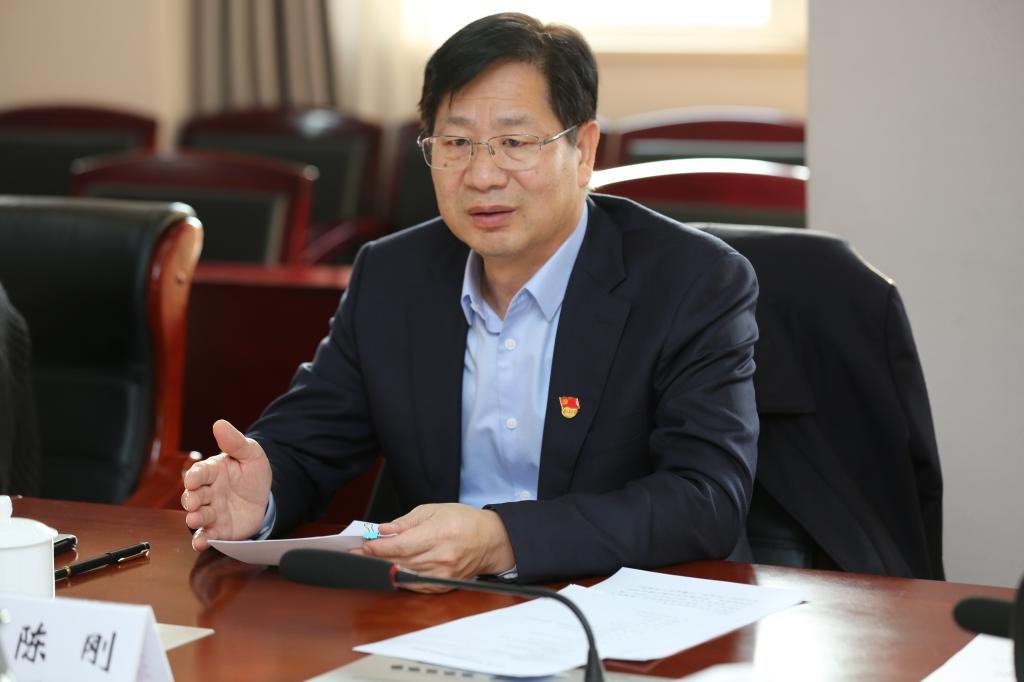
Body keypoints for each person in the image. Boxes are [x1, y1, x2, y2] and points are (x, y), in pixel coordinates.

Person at [182, 12, 759, 588]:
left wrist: (504, 539)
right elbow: (312, 439)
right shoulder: (393, 275)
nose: (482, 175)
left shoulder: (692, 281)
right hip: (433, 604)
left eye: (514, 143)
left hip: (617, 605)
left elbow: (706, 497)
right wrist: (262, 490)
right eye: (456, 143)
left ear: (584, 151)